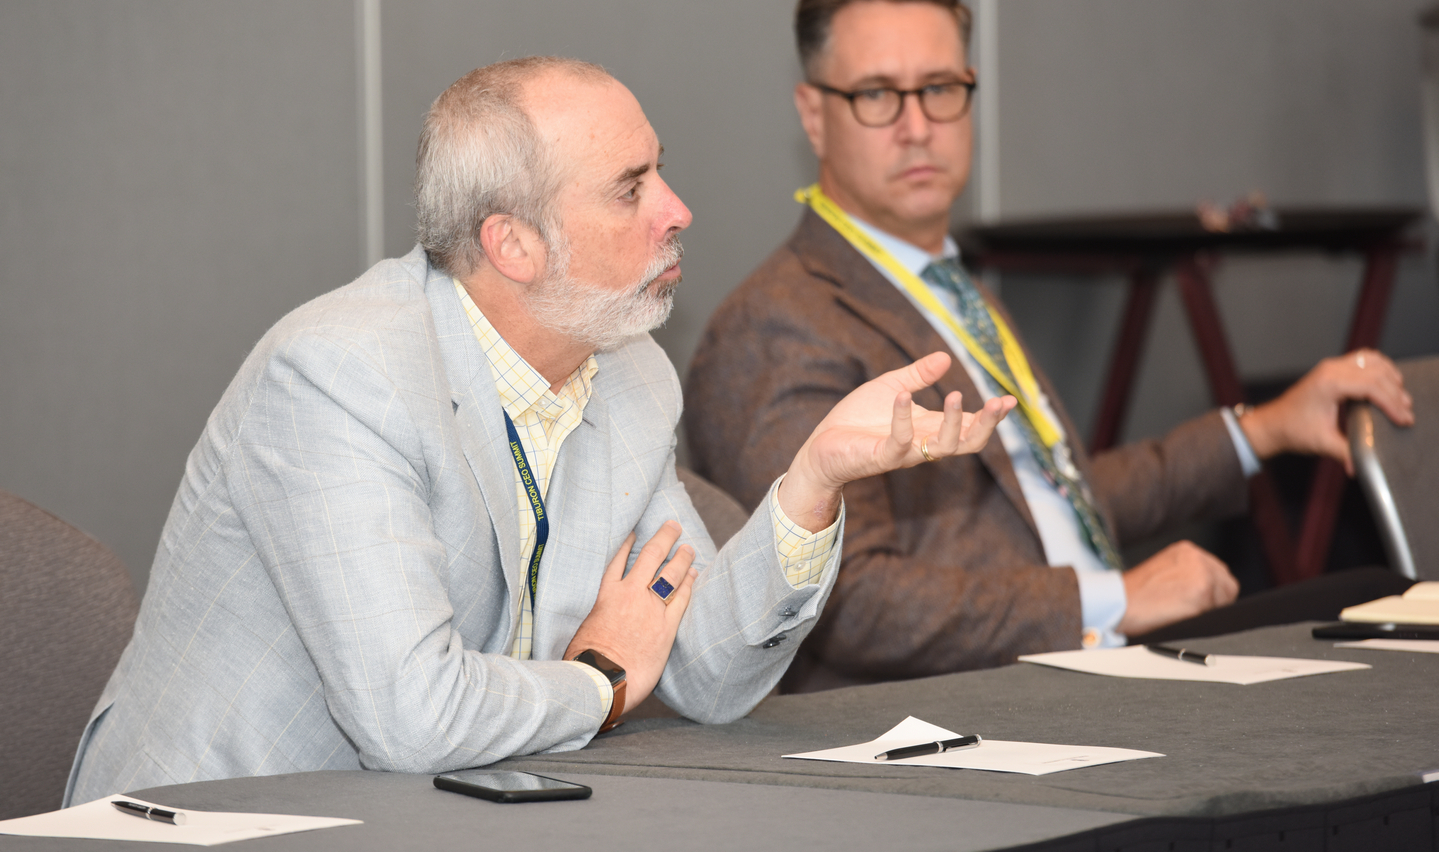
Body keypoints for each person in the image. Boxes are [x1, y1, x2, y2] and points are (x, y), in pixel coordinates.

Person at [66, 56, 1014, 805]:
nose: (677, 211)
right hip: (223, 818)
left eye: (661, 171)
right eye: (629, 189)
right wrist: (600, 681)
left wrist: (812, 481)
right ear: (512, 244)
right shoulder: (340, 375)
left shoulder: (628, 373)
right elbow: (412, 716)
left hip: (439, 815)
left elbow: (705, 675)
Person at [684, 0, 1416, 693]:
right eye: (877, 94)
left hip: (1088, 659)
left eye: (939, 89)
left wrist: (1264, 430)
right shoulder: (775, 323)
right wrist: (1114, 599)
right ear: (814, 115)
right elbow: (843, 600)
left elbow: (1058, 496)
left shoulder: (947, 283)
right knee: (1372, 611)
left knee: (1380, 608)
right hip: (968, 706)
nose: (917, 128)